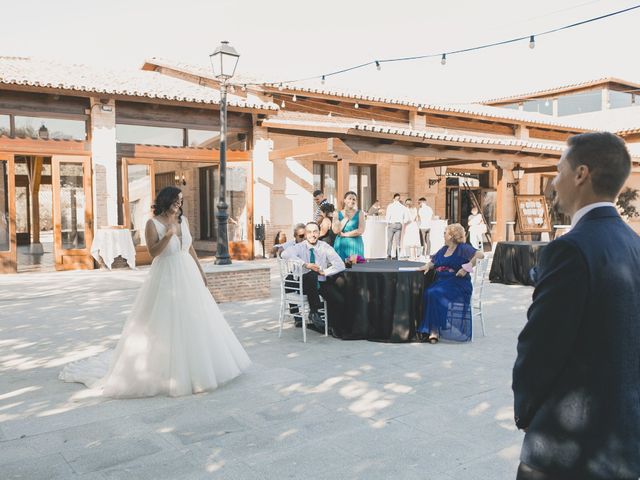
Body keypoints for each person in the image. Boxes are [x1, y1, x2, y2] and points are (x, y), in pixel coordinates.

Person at [512, 132, 640, 480]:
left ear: (581, 174)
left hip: (565, 449)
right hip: (623, 444)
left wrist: (526, 413)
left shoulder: (570, 249)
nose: (554, 182)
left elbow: (538, 347)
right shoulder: (634, 243)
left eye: (558, 171)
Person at [59, 186, 251, 397]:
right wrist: (168, 236)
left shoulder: (183, 221)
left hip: (187, 272)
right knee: (165, 320)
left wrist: (201, 271)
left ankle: (199, 366)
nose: (179, 205)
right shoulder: (153, 224)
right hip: (166, 274)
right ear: (165, 201)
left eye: (180, 201)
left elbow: (189, 247)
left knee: (195, 319)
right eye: (175, 201)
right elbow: (153, 253)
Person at [417, 223, 484, 343]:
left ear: (452, 236)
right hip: (442, 281)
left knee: (434, 293)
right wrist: (427, 265)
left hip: (458, 283)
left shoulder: (462, 248)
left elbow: (480, 254)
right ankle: (435, 327)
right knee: (428, 292)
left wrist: (465, 268)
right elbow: (434, 262)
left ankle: (434, 331)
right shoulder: (444, 249)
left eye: (445, 233)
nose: (443, 235)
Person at [281, 222, 345, 333]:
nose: (313, 235)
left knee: (339, 299)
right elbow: (284, 254)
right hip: (304, 284)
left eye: (315, 231)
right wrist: (305, 264)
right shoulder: (299, 247)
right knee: (311, 274)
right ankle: (314, 312)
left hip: (320, 282)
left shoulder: (324, 247)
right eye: (309, 232)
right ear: (305, 234)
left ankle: (332, 326)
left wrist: (325, 272)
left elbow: (340, 264)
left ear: (319, 233)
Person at [332, 191, 365, 260]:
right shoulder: (337, 213)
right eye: (349, 198)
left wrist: (345, 235)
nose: (351, 201)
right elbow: (336, 230)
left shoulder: (360, 213)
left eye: (354, 199)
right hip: (341, 245)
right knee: (340, 267)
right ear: (344, 200)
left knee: (357, 268)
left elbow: (361, 230)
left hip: (355, 244)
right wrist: (346, 218)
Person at [385, 193, 406, 259]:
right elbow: (406, 217)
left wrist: (387, 223)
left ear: (393, 199)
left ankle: (389, 255)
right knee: (398, 241)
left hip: (392, 224)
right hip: (399, 225)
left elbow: (388, 216)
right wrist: (402, 222)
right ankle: (397, 255)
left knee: (390, 240)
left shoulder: (390, 206)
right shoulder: (402, 207)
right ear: (399, 199)